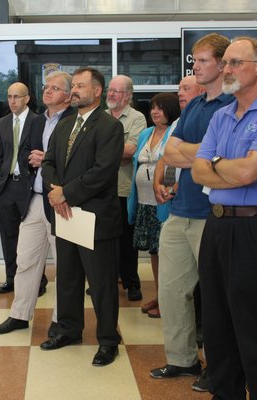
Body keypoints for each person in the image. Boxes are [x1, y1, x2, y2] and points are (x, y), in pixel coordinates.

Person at [192, 36, 257, 400]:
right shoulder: (221, 115)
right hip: (217, 226)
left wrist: (218, 163)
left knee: (256, 331)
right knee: (218, 329)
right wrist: (224, 168)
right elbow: (197, 173)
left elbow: (251, 172)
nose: (227, 69)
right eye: (226, 63)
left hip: (255, 228)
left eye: (235, 62)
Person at [150, 33, 233, 393]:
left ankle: (219, 367)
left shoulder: (230, 106)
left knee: (214, 298)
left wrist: (191, 152)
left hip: (211, 215)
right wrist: (198, 153)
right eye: (193, 62)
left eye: (201, 61)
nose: (195, 67)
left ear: (221, 64)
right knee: (170, 292)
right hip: (178, 211)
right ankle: (182, 359)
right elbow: (170, 152)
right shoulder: (195, 107)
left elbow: (222, 156)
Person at [40, 67, 123, 367]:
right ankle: (70, 330)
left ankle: (107, 340)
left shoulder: (109, 126)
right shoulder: (65, 125)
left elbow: (102, 172)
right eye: (72, 85)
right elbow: (48, 163)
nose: (74, 90)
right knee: (69, 279)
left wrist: (66, 193)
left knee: (101, 284)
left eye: (80, 86)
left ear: (97, 91)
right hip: (65, 215)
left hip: (95, 217)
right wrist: (55, 192)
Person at [0, 70, 74, 335]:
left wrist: (46, 157)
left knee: (65, 264)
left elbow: (77, 158)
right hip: (35, 198)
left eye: (55, 88)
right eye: (46, 87)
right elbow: (24, 154)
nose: (47, 91)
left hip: (61, 201)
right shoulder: (39, 122)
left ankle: (61, 320)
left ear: (69, 95)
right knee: (25, 259)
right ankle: (19, 314)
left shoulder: (75, 120)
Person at [142, 75, 204, 318]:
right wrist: (159, 182)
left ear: (201, 91)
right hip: (174, 203)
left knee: (201, 275)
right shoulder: (179, 122)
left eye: (185, 88)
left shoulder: (211, 117)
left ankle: (201, 322)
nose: (180, 93)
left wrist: (182, 156)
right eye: (179, 88)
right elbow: (167, 156)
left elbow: (207, 156)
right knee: (174, 273)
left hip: (198, 206)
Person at [128, 92, 180, 317]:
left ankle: (169, 302)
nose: (155, 112)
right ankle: (160, 296)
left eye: (160, 108)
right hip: (143, 202)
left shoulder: (176, 132)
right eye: (153, 108)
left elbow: (171, 164)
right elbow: (135, 161)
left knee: (167, 254)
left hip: (163, 202)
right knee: (154, 252)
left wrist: (167, 190)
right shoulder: (146, 133)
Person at [105, 74, 147, 301]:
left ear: (128, 96)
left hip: (124, 189)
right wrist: (115, 154)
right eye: (110, 90)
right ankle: (107, 281)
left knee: (126, 240)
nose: (110, 94)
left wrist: (104, 153)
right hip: (101, 189)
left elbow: (131, 151)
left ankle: (131, 283)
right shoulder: (100, 117)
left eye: (116, 91)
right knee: (103, 239)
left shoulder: (137, 118)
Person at [0, 82, 37, 294]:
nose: (12, 101)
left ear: (27, 98)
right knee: (8, 236)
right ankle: (11, 279)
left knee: (33, 239)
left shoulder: (38, 121)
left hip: (29, 188)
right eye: (9, 96)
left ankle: (39, 281)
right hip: (6, 187)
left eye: (17, 97)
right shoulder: (2, 123)